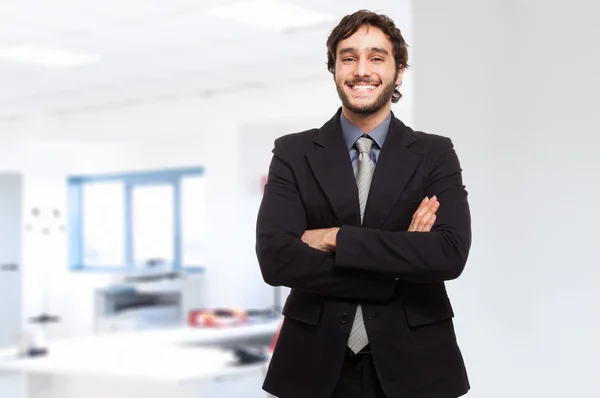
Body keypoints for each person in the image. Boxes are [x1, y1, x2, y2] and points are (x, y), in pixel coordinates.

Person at [255, 9, 471, 398]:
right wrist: (397, 265)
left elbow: (448, 254)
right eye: (348, 57)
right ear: (334, 69)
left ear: (398, 70)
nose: (361, 70)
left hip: (418, 364)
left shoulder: (434, 153)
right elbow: (275, 258)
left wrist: (336, 237)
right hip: (312, 365)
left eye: (376, 57)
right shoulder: (293, 152)